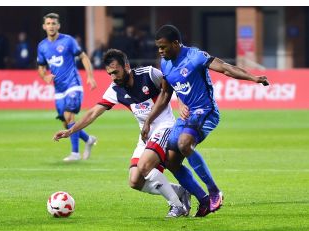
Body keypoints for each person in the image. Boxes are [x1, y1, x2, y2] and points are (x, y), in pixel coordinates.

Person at [141, 24, 270, 215]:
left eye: (163, 46)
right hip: (186, 117)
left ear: (176, 43)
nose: (160, 51)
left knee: (185, 144)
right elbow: (166, 94)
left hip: (205, 111)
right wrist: (149, 120)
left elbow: (226, 68)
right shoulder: (166, 63)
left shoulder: (195, 57)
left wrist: (253, 78)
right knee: (171, 161)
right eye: (158, 47)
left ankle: (214, 191)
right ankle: (203, 199)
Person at [53, 49, 195, 218]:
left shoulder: (149, 74)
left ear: (126, 66)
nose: (113, 77)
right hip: (145, 133)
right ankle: (181, 191)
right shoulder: (115, 89)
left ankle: (176, 206)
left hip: (165, 126)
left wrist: (180, 103)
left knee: (145, 166)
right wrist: (71, 130)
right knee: (135, 181)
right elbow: (93, 112)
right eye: (110, 74)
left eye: (116, 72)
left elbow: (172, 83)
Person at [37, 13, 97, 162]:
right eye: (48, 24)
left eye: (53, 23)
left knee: (70, 115)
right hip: (59, 89)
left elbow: (83, 56)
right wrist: (45, 77)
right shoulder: (42, 46)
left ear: (58, 26)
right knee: (66, 122)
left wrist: (90, 76)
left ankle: (75, 153)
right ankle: (88, 139)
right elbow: (41, 67)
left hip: (73, 84)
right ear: (44, 26)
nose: (51, 26)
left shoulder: (68, 41)